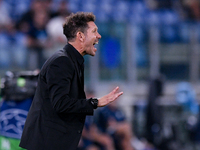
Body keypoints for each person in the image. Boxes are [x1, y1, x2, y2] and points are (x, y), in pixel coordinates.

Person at [19, 12, 123, 150]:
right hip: (47, 144)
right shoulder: (61, 62)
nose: (99, 36)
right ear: (80, 36)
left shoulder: (72, 61)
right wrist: (95, 102)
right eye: (94, 31)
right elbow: (61, 103)